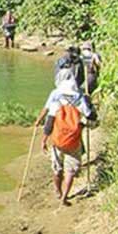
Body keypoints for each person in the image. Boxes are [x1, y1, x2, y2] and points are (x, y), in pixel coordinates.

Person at [35, 76, 98, 206]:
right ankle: (64, 196)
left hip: (57, 141)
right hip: (73, 142)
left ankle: (58, 191)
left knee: (57, 168)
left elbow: (49, 123)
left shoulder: (57, 102)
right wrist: (89, 105)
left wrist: (44, 140)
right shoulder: (80, 101)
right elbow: (91, 116)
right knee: (70, 171)